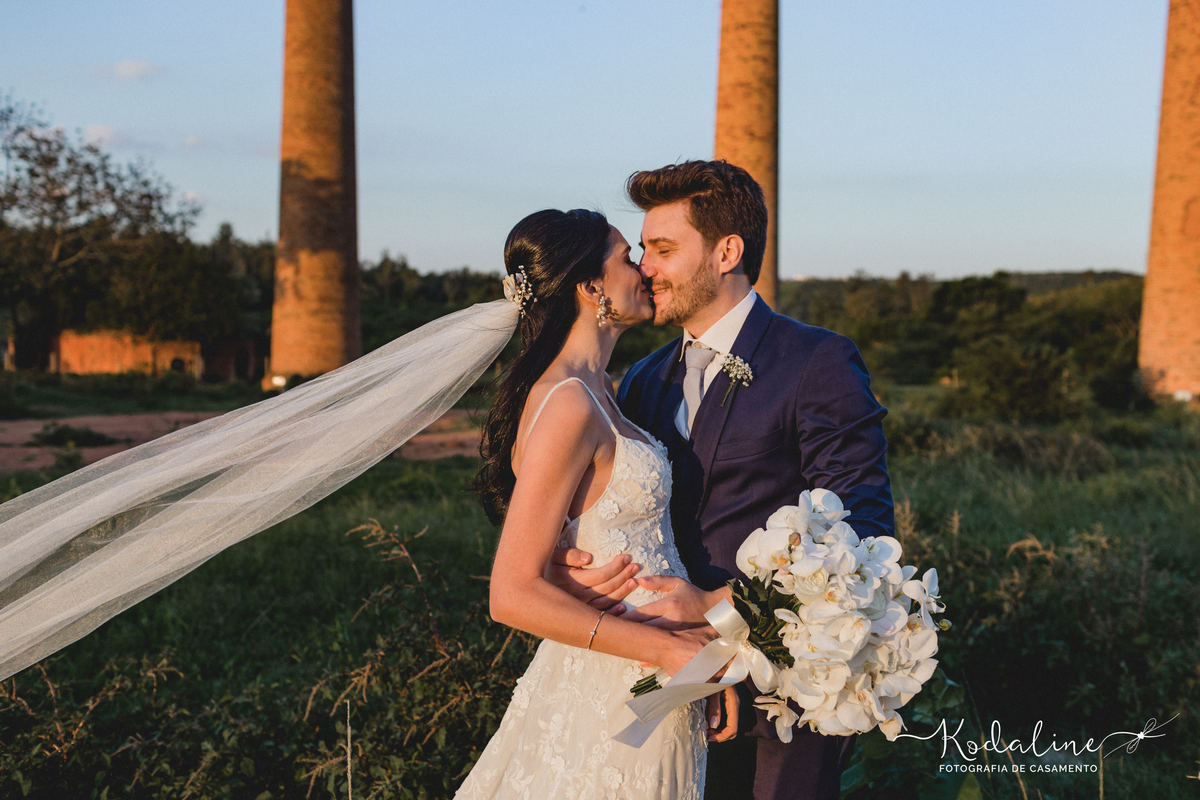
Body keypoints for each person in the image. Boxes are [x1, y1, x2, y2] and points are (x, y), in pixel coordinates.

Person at [550, 160, 895, 800]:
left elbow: (862, 535)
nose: (645, 267)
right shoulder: (644, 378)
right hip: (670, 685)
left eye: (663, 249)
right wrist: (571, 559)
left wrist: (718, 613)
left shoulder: (816, 360)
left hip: (782, 700)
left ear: (727, 252)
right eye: (642, 250)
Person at [455, 208, 735, 799]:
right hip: (618, 674)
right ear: (590, 287)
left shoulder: (602, 391)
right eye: (628, 258)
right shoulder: (568, 403)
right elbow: (510, 593)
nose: (645, 270)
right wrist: (668, 649)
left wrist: (700, 664)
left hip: (654, 675)